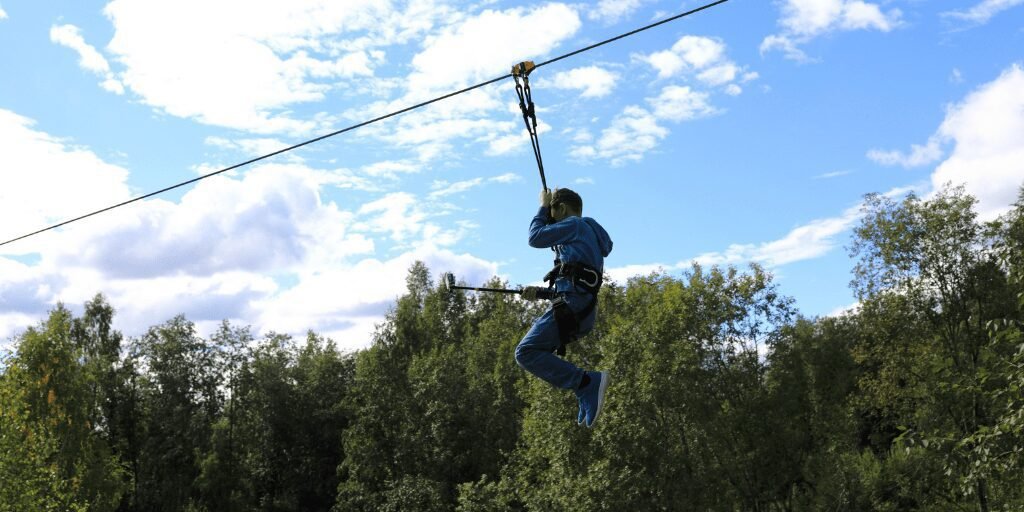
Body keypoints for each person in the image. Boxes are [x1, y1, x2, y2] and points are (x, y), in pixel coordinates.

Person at [517, 187, 613, 427]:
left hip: (574, 307)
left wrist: (542, 206)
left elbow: (535, 237)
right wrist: (540, 293)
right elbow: (576, 282)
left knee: (525, 352)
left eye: (553, 214)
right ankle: (584, 389)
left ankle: (585, 383)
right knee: (534, 350)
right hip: (579, 310)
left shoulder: (576, 226)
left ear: (561, 208)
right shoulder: (583, 236)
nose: (552, 223)